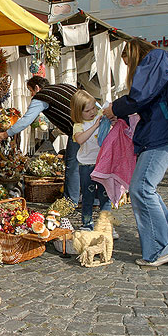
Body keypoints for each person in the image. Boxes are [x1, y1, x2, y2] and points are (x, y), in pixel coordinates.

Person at [103, 38, 168, 268]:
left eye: (128, 61)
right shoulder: (165, 60)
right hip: (166, 132)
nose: (129, 67)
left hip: (162, 133)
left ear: (133, 53)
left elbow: (140, 97)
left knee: (141, 188)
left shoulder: (154, 59)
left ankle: (161, 248)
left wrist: (114, 108)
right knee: (148, 190)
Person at [0, 76, 80, 204]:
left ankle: (70, 202)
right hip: (93, 125)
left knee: (72, 166)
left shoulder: (42, 96)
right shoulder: (61, 87)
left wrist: (6, 134)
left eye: (31, 91)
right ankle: (85, 197)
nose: (31, 95)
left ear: (37, 88)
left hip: (79, 130)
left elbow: (25, 121)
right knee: (85, 164)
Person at [70, 89, 115, 237]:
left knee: (105, 195)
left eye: (94, 108)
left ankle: (106, 226)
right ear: (78, 112)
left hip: (103, 164)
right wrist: (95, 126)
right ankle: (87, 223)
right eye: (87, 110)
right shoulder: (79, 125)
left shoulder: (101, 117)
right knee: (88, 195)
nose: (92, 112)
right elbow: (80, 139)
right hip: (86, 165)